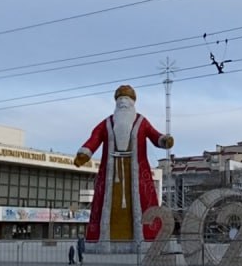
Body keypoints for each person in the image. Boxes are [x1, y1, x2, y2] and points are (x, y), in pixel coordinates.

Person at [73, 85, 174, 249]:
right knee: (105, 205)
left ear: (133, 102)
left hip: (137, 172)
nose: (123, 102)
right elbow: (94, 138)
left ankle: (147, 242)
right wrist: (84, 154)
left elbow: (155, 136)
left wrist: (164, 140)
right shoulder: (107, 123)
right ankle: (103, 242)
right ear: (116, 102)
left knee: (143, 202)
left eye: (126, 99)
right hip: (111, 173)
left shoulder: (142, 122)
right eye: (120, 99)